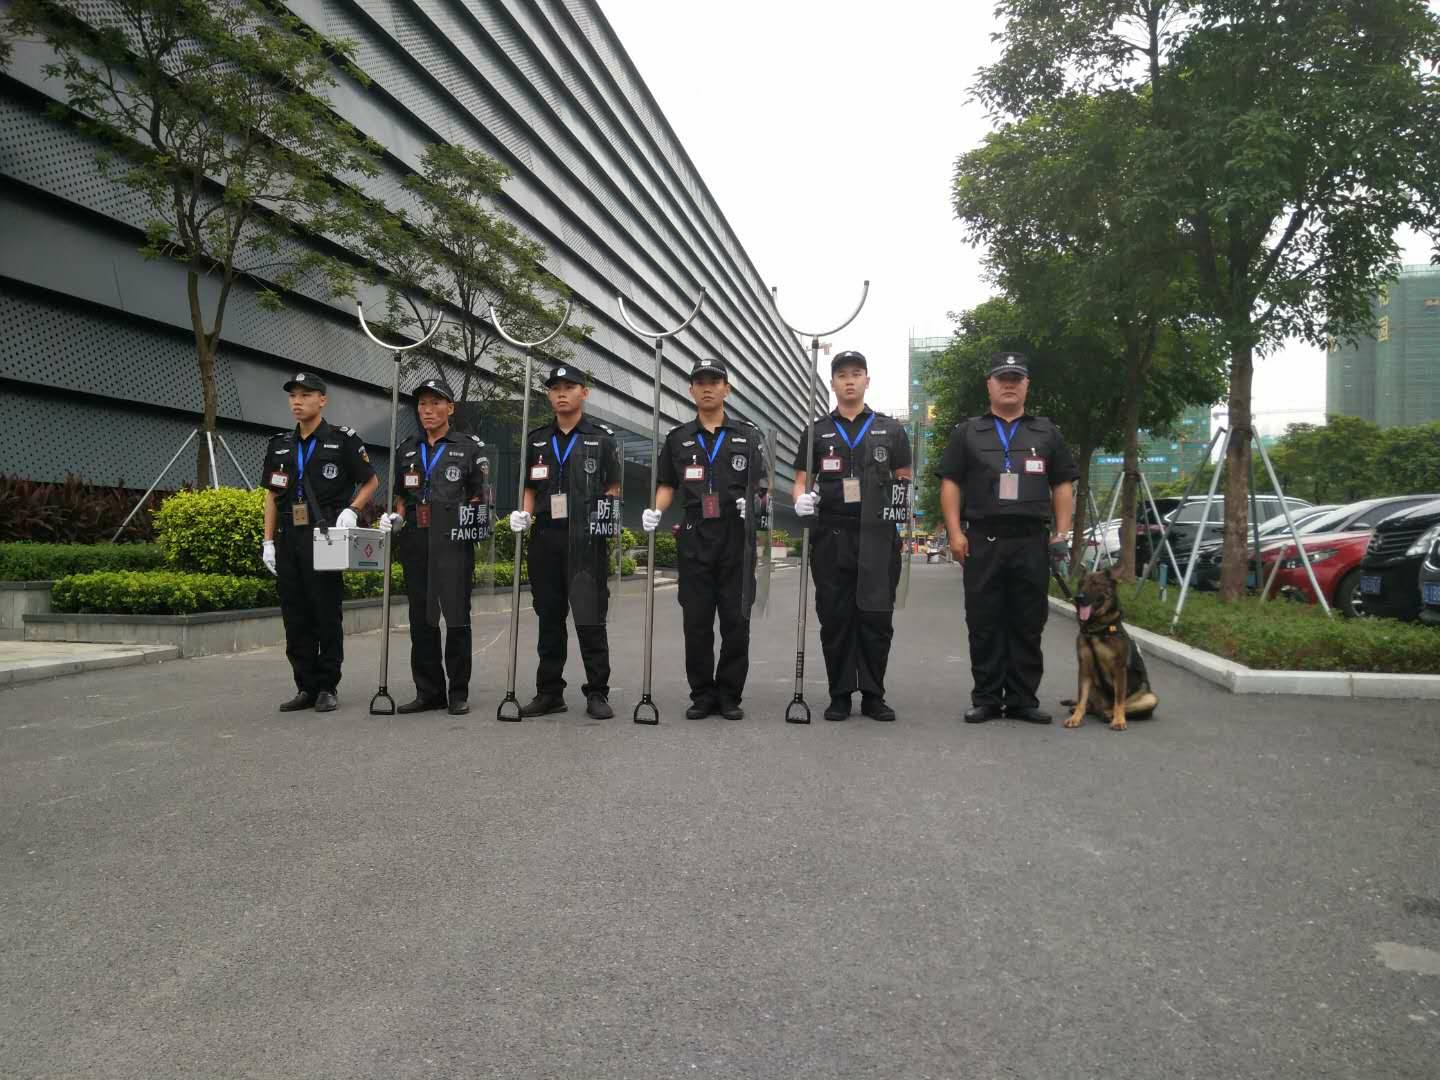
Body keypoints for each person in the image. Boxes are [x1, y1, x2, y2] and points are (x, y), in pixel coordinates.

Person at [936, 352, 1078, 724]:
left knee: (1027, 622)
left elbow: (1062, 484)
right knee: (984, 621)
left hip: (1032, 540)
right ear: (990, 384)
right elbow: (951, 483)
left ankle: (1021, 699)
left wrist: (1061, 533)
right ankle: (986, 697)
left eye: (1017, 378)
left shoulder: (1047, 432)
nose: (1009, 384)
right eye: (1003, 378)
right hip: (983, 539)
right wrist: (955, 532)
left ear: (1027, 384)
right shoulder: (967, 432)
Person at [643, 356, 768, 720]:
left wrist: (754, 504)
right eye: (701, 382)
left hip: (735, 533)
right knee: (696, 621)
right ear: (691, 390)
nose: (708, 388)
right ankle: (701, 694)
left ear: (726, 389)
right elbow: (667, 484)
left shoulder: (748, 436)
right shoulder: (678, 438)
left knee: (736, 620)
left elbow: (763, 485)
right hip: (695, 533)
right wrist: (655, 510)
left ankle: (729, 695)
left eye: (715, 382)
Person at [792, 350, 912, 722]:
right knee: (836, 616)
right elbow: (801, 481)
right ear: (832, 383)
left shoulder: (890, 429)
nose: (849, 380)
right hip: (832, 534)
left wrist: (899, 510)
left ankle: (873, 694)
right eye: (842, 375)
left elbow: (904, 478)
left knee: (876, 618)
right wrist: (801, 501)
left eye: (856, 374)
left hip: (877, 535)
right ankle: (840, 693)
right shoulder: (816, 431)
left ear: (867, 381)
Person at [259, 372, 379, 712]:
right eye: (293, 395)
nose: (297, 401)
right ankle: (305, 686)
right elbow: (271, 496)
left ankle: (328, 685)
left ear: (322, 400)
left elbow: (371, 481)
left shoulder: (342, 440)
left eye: (305, 395)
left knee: (325, 612)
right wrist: (268, 541)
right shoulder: (279, 444)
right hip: (289, 536)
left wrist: (352, 510)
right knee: (294, 614)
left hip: (324, 535)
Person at [508, 364, 622, 719]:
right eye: (555, 387)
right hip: (545, 539)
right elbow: (530, 487)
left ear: (583, 393)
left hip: (586, 540)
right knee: (549, 618)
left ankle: (597, 692)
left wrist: (604, 520)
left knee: (590, 619)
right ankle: (549, 692)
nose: (561, 393)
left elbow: (613, 486)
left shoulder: (601, 439)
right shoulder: (537, 439)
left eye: (569, 387)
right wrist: (523, 515)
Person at [376, 379, 491, 716]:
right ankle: (429, 691)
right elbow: (401, 495)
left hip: (453, 540)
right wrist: (396, 518)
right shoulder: (407, 448)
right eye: (422, 404)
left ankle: (458, 692)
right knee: (421, 618)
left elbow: (481, 495)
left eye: (435, 403)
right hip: (416, 540)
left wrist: (468, 525)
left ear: (450, 408)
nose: (427, 410)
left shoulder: (469, 447)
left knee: (456, 617)